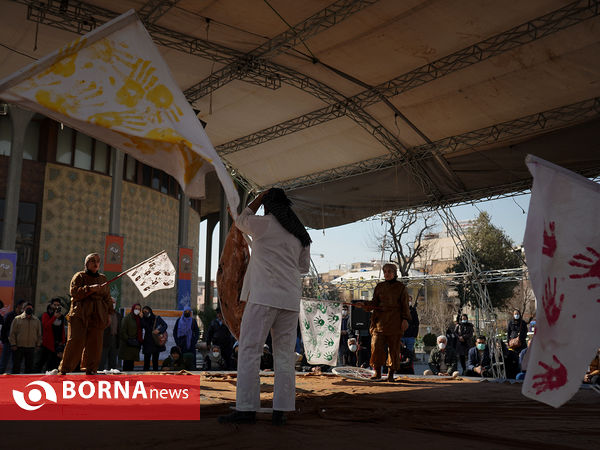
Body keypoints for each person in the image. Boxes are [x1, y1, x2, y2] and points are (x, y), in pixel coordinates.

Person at [219, 188, 311, 426]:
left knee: (250, 351)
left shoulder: (264, 224)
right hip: (290, 300)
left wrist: (257, 199)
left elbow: (240, 221)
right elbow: (303, 268)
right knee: (284, 356)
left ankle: (247, 408)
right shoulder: (300, 234)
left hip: (263, 297)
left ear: (267, 205)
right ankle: (281, 409)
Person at [58, 253, 112, 375]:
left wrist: (109, 314)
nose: (96, 263)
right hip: (80, 313)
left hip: (98, 314)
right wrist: (89, 289)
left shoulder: (103, 279)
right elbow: (74, 292)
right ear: (86, 263)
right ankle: (64, 369)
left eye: (98, 261)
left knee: (96, 342)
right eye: (92, 261)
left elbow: (107, 298)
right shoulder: (79, 276)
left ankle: (91, 368)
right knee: (75, 340)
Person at [359, 263, 411, 382]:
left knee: (393, 349)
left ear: (394, 273)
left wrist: (405, 319)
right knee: (376, 346)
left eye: (389, 271)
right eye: (385, 271)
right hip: (379, 322)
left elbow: (405, 306)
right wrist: (364, 305)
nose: (387, 274)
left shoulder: (401, 287)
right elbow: (374, 303)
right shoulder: (379, 286)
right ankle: (377, 373)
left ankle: (390, 374)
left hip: (395, 321)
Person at [9, 302, 41, 373]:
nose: (29, 309)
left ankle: (26, 382)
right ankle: (13, 382)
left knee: (29, 367)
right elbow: (12, 333)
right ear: (23, 309)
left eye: (30, 308)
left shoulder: (36, 320)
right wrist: (13, 344)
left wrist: (38, 344)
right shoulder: (17, 319)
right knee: (16, 367)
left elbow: (39, 334)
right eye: (27, 308)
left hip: (31, 347)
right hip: (18, 347)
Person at [37, 298, 66, 372]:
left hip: (57, 344)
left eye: (58, 305)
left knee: (54, 364)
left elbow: (62, 329)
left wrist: (62, 341)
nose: (56, 307)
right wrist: (54, 317)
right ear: (51, 305)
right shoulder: (46, 314)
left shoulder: (61, 316)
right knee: (42, 362)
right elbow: (46, 326)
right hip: (47, 344)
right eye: (55, 305)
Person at [0, 300, 25, 373]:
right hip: (8, 342)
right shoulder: (9, 316)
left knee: (16, 363)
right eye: (23, 306)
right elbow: (4, 329)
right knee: (4, 362)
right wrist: (4, 340)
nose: (23, 308)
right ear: (18, 306)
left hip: (18, 343)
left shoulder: (23, 316)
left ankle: (13, 379)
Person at [141, 305, 167, 371]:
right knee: (146, 360)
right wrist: (142, 318)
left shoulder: (157, 318)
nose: (145, 313)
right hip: (147, 342)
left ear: (150, 311)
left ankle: (155, 375)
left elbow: (165, 325)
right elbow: (143, 326)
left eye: (146, 311)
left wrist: (159, 330)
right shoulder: (143, 319)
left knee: (155, 360)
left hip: (156, 341)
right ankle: (145, 376)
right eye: (144, 312)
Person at [99, 298, 122, 371]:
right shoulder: (103, 314)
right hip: (104, 339)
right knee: (102, 360)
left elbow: (119, 328)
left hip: (114, 339)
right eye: (111, 302)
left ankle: (112, 376)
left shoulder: (118, 315)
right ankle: (99, 375)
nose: (113, 304)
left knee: (113, 360)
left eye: (114, 302)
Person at [119, 304, 143, 372]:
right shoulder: (127, 318)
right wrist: (129, 340)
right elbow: (122, 331)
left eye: (139, 309)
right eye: (136, 308)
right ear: (132, 309)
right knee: (127, 363)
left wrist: (142, 318)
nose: (137, 310)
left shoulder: (139, 319)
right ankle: (125, 379)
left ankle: (130, 379)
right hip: (127, 345)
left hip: (135, 345)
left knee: (131, 363)